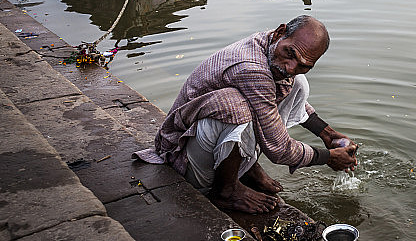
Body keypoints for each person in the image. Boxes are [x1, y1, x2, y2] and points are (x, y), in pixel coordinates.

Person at [135, 16, 358, 214]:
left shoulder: (269, 46)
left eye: (304, 64)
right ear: (281, 33)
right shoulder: (252, 68)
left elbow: (282, 94)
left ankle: (248, 169)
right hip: (182, 154)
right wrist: (329, 157)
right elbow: (279, 149)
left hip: (206, 141)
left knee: (297, 83)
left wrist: (326, 133)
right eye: (290, 54)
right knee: (235, 107)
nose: (290, 67)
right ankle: (226, 191)